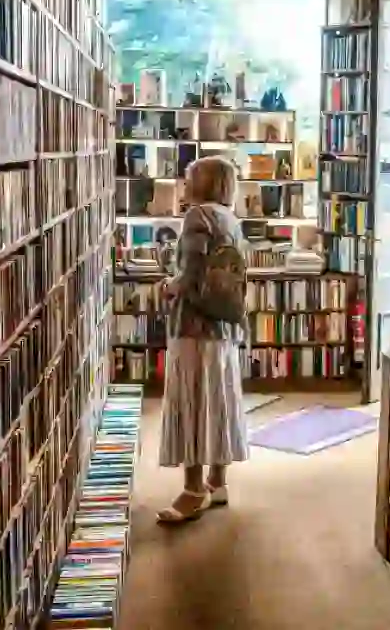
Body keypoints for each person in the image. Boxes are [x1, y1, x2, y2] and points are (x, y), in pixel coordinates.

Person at [156, 155, 249, 523]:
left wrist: (167, 285)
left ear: (202, 182)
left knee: (191, 403)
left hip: (194, 328)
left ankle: (193, 491)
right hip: (224, 326)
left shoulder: (197, 217)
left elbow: (191, 275)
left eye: (189, 176)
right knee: (219, 401)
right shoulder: (231, 219)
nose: (184, 181)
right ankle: (217, 482)